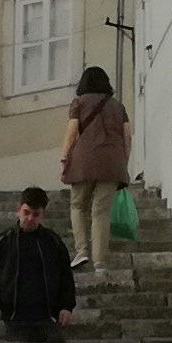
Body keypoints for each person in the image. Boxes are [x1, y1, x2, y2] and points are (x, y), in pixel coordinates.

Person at [0, 186, 77, 341]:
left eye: (35, 214)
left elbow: (66, 276)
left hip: (47, 316)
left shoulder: (53, 242)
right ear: (19, 209)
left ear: (43, 215)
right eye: (26, 213)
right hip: (14, 317)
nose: (29, 218)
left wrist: (67, 307)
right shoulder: (4, 241)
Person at [59, 66, 131, 282]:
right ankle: (100, 264)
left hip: (84, 161)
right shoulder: (118, 107)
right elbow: (127, 137)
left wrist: (64, 158)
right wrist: (122, 162)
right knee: (101, 213)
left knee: (78, 205)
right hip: (112, 163)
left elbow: (72, 133)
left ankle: (81, 251)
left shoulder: (79, 103)